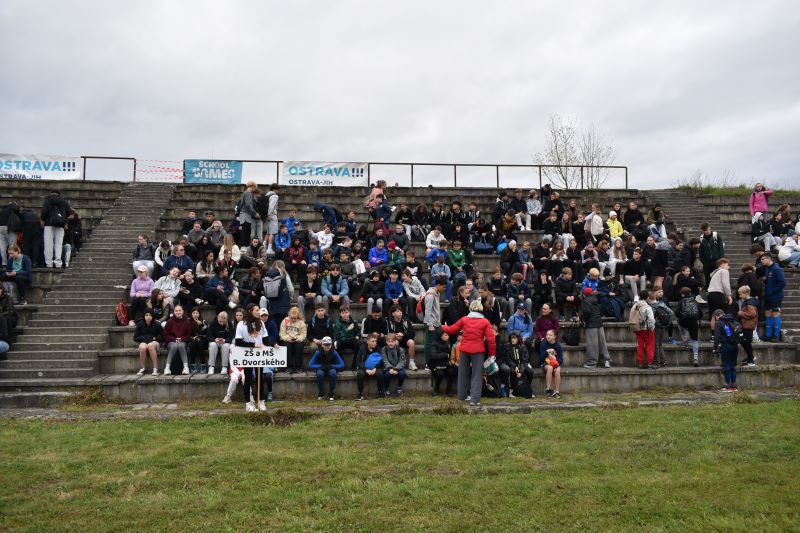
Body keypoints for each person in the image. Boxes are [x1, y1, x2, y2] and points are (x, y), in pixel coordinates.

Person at [442, 300, 497, 406]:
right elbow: (491, 340)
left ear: (471, 308)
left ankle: (462, 396)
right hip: (477, 351)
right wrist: (492, 354)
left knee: (462, 374)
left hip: (464, 350)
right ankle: (474, 400)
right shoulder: (485, 322)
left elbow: (452, 330)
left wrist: (443, 327)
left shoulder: (464, 319)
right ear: (480, 308)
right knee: (476, 375)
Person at [235, 304, 269, 411]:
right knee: (248, 378)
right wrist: (254, 345)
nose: (259, 312)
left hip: (259, 354)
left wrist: (274, 344)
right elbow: (238, 342)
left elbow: (266, 339)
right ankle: (248, 403)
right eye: (257, 310)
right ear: (250, 311)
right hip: (247, 354)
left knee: (260, 377)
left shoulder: (261, 323)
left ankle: (261, 401)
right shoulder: (241, 324)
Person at [579, 287, 611, 368]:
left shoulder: (585, 301)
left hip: (591, 324)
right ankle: (606, 361)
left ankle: (592, 363)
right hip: (599, 323)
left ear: (584, 295)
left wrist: (581, 318)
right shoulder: (596, 299)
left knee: (592, 345)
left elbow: (586, 312)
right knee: (602, 343)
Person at [497, 331, 533, 398]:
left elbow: (525, 360)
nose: (513, 340)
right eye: (512, 338)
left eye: (515, 338)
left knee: (530, 371)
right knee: (512, 371)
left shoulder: (523, 347)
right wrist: (515, 366)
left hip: (522, 365)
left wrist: (521, 371)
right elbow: (508, 359)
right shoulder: (507, 347)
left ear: (518, 339)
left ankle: (527, 389)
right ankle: (512, 390)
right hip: (512, 365)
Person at [308, 336, 345, 401]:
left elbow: (342, 365)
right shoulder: (318, 352)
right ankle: (321, 394)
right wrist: (320, 366)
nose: (327, 346)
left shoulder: (334, 352)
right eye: (325, 345)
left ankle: (331, 394)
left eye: (329, 345)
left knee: (333, 373)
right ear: (322, 345)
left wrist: (332, 366)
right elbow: (310, 365)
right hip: (321, 368)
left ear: (331, 345)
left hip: (331, 367)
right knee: (320, 374)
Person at [40, 189, 70, 269]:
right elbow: (68, 211)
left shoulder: (47, 201)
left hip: (48, 224)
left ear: (51, 194)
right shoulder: (63, 201)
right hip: (60, 224)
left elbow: (44, 212)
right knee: (58, 244)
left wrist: (44, 219)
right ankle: (58, 263)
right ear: (59, 194)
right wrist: (62, 218)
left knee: (48, 245)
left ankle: (49, 263)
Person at [423, 277, 447, 370]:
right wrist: (430, 324)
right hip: (431, 324)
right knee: (429, 344)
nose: (444, 289)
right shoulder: (430, 296)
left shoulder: (437, 293)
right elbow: (427, 311)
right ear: (438, 285)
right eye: (443, 287)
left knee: (435, 344)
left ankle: (434, 363)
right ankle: (427, 363)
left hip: (436, 323)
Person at [761, 253, 786, 342]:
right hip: (767, 296)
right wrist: (765, 281)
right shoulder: (767, 269)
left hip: (776, 296)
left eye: (763, 259)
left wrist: (772, 291)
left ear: (769, 259)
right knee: (767, 313)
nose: (761, 261)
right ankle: (768, 335)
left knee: (775, 314)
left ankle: (776, 335)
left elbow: (782, 283)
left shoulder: (776, 269)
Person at [714, 310, 740, 392]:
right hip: (735, 346)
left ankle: (728, 386)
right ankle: (733, 386)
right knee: (733, 366)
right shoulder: (732, 320)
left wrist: (715, 347)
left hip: (726, 346)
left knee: (726, 366)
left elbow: (717, 337)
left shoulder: (719, 323)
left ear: (717, 316)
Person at [675, 287, 701, 366]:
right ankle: (696, 359)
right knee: (695, 340)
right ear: (690, 293)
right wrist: (696, 318)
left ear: (682, 294)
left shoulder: (681, 302)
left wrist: (682, 317)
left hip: (684, 321)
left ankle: (685, 338)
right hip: (694, 322)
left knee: (678, 322)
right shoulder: (695, 301)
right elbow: (701, 313)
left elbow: (676, 313)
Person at [162, 304, 191, 375]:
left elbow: (188, 334)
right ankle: (167, 368)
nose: (178, 312)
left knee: (181, 345)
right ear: (174, 312)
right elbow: (165, 334)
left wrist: (181, 339)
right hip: (171, 341)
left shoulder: (187, 321)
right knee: (174, 346)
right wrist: (174, 339)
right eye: (176, 311)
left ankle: (186, 368)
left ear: (182, 311)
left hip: (182, 341)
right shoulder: (170, 321)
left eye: (180, 310)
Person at [648, 287, 673, 369]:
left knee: (656, 344)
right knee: (660, 344)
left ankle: (657, 362)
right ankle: (663, 361)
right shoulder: (662, 304)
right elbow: (671, 313)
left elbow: (651, 318)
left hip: (656, 327)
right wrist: (667, 323)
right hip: (663, 326)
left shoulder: (652, 306)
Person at [353, 332, 384, 399]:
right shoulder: (362, 348)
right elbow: (358, 361)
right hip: (365, 367)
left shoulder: (378, 348)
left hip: (375, 367)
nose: (374, 343)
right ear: (367, 341)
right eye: (372, 341)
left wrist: (375, 368)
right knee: (360, 373)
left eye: (375, 341)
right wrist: (366, 369)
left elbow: (381, 361)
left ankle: (381, 391)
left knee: (380, 373)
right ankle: (360, 393)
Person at [386, 304, 416, 370]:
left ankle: (411, 362)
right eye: (398, 311)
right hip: (395, 340)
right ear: (393, 314)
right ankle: (396, 362)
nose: (400, 312)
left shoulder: (406, 320)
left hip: (405, 340)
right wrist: (395, 336)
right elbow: (388, 334)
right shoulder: (389, 322)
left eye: (400, 311)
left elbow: (412, 333)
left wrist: (403, 335)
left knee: (411, 342)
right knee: (395, 342)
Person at [632, 290, 656, 369]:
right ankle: (650, 363)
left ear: (639, 296)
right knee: (650, 346)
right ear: (647, 297)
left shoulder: (635, 305)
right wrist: (652, 328)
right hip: (647, 329)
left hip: (637, 329)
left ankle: (640, 363)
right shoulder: (647, 307)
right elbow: (651, 319)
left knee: (640, 346)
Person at [134, 310, 162, 376]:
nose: (148, 317)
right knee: (142, 347)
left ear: (152, 316)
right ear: (144, 316)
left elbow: (162, 336)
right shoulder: (140, 324)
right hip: (144, 341)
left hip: (154, 342)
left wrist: (154, 338)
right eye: (146, 315)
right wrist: (144, 338)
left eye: (150, 315)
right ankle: (143, 368)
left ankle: (155, 368)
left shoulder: (157, 324)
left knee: (150, 345)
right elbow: (135, 337)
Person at [429, 328, 456, 396]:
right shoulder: (434, 344)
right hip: (436, 365)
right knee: (439, 374)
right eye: (446, 335)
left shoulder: (448, 343)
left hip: (446, 364)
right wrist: (445, 355)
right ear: (440, 336)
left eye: (448, 335)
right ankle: (436, 389)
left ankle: (449, 389)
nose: (448, 336)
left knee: (452, 372)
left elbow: (450, 354)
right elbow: (433, 356)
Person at [280, 306, 307, 373]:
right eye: (291, 318)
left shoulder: (301, 322)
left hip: (298, 339)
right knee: (287, 346)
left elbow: (303, 334)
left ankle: (298, 367)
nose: (293, 320)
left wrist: (298, 338)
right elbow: (282, 333)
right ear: (289, 315)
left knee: (299, 346)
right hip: (288, 339)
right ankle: (289, 367)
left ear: (298, 316)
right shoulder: (285, 321)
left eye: (295, 318)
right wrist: (287, 338)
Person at [207, 310, 234, 375]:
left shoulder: (229, 324)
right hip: (215, 341)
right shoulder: (213, 323)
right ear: (218, 318)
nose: (222, 323)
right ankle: (211, 366)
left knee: (226, 346)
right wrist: (214, 340)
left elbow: (231, 337)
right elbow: (208, 336)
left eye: (223, 322)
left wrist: (225, 340)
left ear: (226, 319)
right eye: (220, 321)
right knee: (212, 345)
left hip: (225, 342)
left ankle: (224, 367)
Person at [737, 286, 758, 367]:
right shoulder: (747, 302)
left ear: (746, 293)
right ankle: (750, 357)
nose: (739, 296)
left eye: (740, 294)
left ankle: (751, 361)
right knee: (743, 341)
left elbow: (752, 314)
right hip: (746, 325)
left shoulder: (749, 303)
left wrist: (741, 313)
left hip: (748, 325)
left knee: (746, 342)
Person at [187, 307, 208, 373]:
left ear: (199, 314)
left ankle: (202, 364)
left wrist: (201, 325)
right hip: (192, 340)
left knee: (198, 341)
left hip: (202, 340)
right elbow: (187, 334)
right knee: (194, 342)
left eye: (197, 313)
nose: (195, 315)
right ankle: (194, 364)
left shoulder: (203, 321)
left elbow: (206, 333)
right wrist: (192, 338)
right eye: (194, 313)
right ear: (191, 314)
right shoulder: (188, 322)